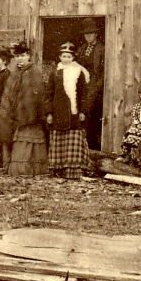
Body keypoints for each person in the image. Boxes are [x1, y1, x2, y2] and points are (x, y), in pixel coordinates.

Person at [0, 41, 48, 176]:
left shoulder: (34, 72)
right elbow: (8, 94)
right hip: (15, 116)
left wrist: (31, 113)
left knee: (28, 143)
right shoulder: (14, 74)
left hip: (30, 119)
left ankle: (30, 169)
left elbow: (37, 96)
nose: (20, 58)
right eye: (18, 56)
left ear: (29, 56)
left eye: (23, 55)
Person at [45, 42, 91, 179]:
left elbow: (84, 94)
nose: (66, 59)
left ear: (73, 58)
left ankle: (72, 172)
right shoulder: (55, 73)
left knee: (73, 139)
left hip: (73, 113)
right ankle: (57, 170)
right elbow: (49, 93)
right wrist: (49, 113)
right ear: (60, 57)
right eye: (63, 56)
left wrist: (83, 111)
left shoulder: (79, 72)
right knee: (58, 140)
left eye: (69, 56)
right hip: (58, 112)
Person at [77, 17, 104, 150]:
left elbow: (104, 71)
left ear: (96, 34)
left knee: (93, 118)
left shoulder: (101, 49)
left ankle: (93, 148)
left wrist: (98, 86)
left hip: (95, 86)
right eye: (86, 34)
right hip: (84, 86)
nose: (88, 36)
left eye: (91, 33)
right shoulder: (82, 49)